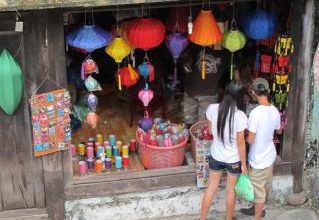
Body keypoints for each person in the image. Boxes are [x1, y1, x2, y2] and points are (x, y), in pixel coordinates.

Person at [200, 81, 248, 220]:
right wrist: (244, 165)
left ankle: (202, 218)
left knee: (211, 188)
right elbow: (240, 143)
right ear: (240, 97)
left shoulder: (212, 108)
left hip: (216, 155)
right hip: (233, 159)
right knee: (230, 190)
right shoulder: (240, 116)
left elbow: (209, 131)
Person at [241, 78, 281, 220]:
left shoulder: (255, 113)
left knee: (258, 192)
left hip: (258, 159)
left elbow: (250, 140)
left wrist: (242, 138)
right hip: (270, 155)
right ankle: (256, 209)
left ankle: (257, 216)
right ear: (268, 91)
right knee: (263, 187)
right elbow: (279, 131)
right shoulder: (275, 110)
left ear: (253, 92)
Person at [180, 44, 229, 127]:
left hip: (209, 94)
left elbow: (231, 71)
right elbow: (185, 63)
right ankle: (189, 137)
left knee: (203, 126)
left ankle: (197, 139)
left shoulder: (226, 52)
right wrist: (186, 61)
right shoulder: (196, 46)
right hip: (191, 91)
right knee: (188, 121)